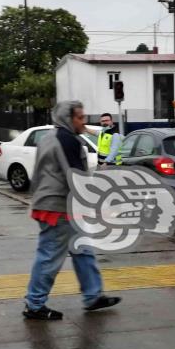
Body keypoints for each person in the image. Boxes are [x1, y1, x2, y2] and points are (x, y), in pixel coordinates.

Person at [23, 101, 121, 320]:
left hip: (56, 203)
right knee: (49, 256)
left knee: (82, 249)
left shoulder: (51, 137)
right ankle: (35, 304)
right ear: (68, 119)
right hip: (58, 206)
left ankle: (93, 295)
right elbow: (76, 177)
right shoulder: (67, 140)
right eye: (79, 118)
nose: (83, 121)